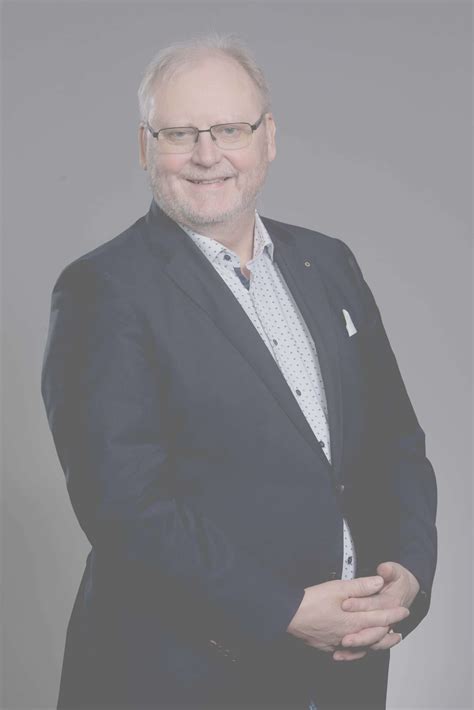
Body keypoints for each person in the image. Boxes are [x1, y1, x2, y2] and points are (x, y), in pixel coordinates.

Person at [41, 33, 437, 710]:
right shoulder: (103, 289)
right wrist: (284, 611)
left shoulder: (328, 263)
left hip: (345, 672)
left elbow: (395, 442)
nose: (208, 155)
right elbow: (125, 507)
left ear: (268, 138)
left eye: (230, 129)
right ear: (145, 147)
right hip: (183, 679)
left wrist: (409, 573)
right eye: (180, 134)